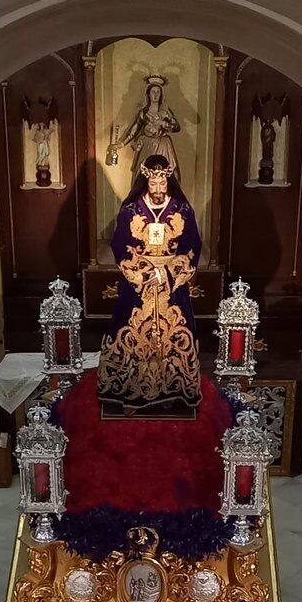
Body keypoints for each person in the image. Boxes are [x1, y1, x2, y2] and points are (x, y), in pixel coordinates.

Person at [97, 155, 201, 416]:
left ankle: (173, 390)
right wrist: (143, 273)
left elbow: (192, 247)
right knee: (132, 335)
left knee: (174, 336)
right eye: (153, 183)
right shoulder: (131, 209)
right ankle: (130, 389)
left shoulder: (182, 209)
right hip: (139, 287)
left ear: (168, 181)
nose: (157, 189)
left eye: (162, 183)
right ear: (145, 182)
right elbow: (120, 246)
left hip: (170, 287)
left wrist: (167, 272)